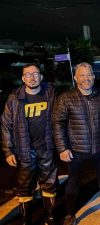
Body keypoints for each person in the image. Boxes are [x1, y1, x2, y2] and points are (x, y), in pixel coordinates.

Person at [52, 62, 100, 224]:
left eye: (89, 74)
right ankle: (70, 214)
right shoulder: (65, 98)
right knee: (73, 182)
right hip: (76, 150)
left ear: (93, 76)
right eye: (82, 75)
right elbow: (58, 124)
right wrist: (62, 148)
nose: (86, 78)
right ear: (75, 78)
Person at [1, 63, 57, 225]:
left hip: (47, 147)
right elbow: (6, 125)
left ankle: (50, 217)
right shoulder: (14, 98)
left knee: (50, 184)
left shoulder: (50, 93)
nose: (32, 77)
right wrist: (8, 151)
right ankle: (26, 220)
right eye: (28, 75)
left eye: (35, 74)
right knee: (24, 187)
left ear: (41, 76)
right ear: (23, 78)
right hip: (25, 150)